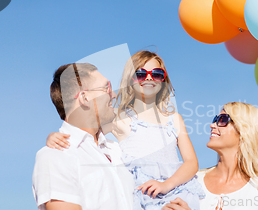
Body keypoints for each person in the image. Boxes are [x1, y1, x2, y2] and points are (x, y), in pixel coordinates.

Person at [46, 51, 205, 209]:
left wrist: (166, 185)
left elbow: (191, 162)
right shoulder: (118, 117)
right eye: (141, 74)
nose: (149, 77)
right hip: (141, 194)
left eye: (156, 73)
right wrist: (56, 136)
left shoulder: (175, 119)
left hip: (174, 189)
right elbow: (84, 131)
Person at [162, 102, 258, 210]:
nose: (212, 125)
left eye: (222, 120)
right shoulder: (192, 180)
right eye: (215, 119)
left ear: (244, 131)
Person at [32, 63, 134, 210]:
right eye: (107, 88)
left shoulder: (117, 149)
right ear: (85, 98)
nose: (114, 94)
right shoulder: (56, 156)